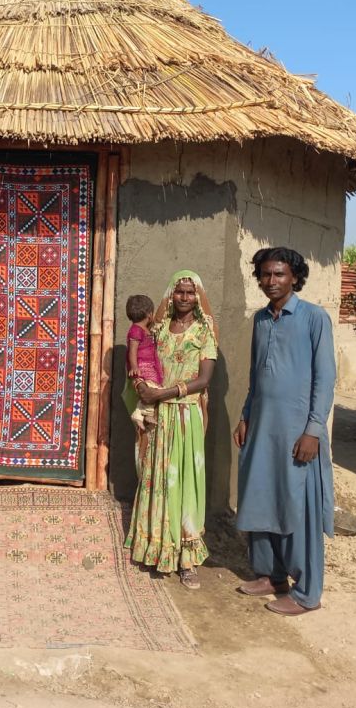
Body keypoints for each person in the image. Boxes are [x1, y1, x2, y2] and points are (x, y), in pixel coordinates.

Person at [232, 247, 336, 616]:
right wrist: (245, 415)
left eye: (279, 275)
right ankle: (271, 575)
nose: (271, 282)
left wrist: (312, 430)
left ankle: (307, 592)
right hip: (262, 427)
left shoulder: (313, 318)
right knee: (261, 496)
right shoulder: (260, 320)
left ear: (294, 277)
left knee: (297, 506)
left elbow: (325, 380)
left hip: (297, 432)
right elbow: (256, 376)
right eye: (265, 275)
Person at [125, 271, 218, 589]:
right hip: (158, 417)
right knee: (158, 479)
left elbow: (204, 380)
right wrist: (139, 383)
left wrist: (162, 393)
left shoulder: (204, 331)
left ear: (198, 296)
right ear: (171, 294)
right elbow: (139, 358)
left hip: (185, 416)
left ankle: (185, 559)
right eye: (179, 292)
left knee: (184, 484)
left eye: (190, 293)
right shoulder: (158, 328)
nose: (184, 298)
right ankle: (155, 547)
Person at [122, 294, 164, 472]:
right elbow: (132, 351)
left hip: (151, 366)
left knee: (156, 389)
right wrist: (134, 368)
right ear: (149, 313)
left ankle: (146, 413)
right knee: (152, 390)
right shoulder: (136, 331)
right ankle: (140, 413)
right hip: (143, 366)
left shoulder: (146, 330)